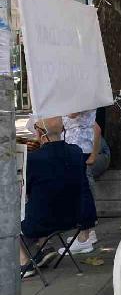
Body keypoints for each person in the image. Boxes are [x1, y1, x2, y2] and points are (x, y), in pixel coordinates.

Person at [20, 117, 85, 278]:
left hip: (42, 223)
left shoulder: (33, 160)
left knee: (7, 215)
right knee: (46, 198)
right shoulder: (76, 152)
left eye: (35, 128)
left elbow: (23, 191)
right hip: (74, 219)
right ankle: (44, 246)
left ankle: (23, 262)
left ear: (41, 134)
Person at [60, 110, 100, 254]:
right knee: (81, 190)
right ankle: (87, 233)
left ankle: (84, 237)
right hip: (76, 146)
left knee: (82, 191)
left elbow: (72, 113)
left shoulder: (80, 94)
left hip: (79, 146)